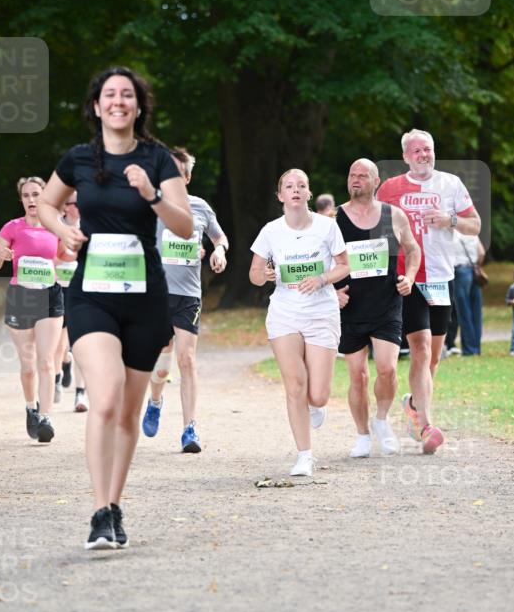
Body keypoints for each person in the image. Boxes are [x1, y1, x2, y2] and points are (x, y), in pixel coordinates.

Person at [38, 66, 192, 550]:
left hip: (146, 298)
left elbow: (185, 226)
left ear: (138, 105)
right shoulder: (79, 158)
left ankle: (115, 506)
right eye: (110, 94)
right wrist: (63, 231)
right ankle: (98, 511)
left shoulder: (157, 159)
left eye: (127, 94)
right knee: (104, 398)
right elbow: (47, 205)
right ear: (97, 105)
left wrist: (152, 195)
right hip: (92, 295)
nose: (119, 101)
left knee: (127, 413)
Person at [376, 130, 481, 454]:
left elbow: (475, 225)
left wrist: (450, 220)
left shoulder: (451, 184)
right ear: (406, 156)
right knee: (420, 349)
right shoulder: (390, 188)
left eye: (428, 149)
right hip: (406, 278)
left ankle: (413, 405)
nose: (424, 155)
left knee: (433, 358)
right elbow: (373, 229)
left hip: (440, 277)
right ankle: (425, 426)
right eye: (417, 151)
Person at [250, 169, 350, 478]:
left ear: (309, 193)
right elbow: (254, 274)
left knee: (317, 394)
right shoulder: (270, 231)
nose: (296, 190)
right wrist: (264, 275)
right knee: (295, 385)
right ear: (280, 195)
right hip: (284, 313)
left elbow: (344, 265)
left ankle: (316, 406)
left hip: (321, 312)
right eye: (289, 186)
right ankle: (304, 456)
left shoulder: (327, 227)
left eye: (301, 185)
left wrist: (322, 278)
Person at [142, 146, 229, 453]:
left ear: (188, 178)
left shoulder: (200, 207)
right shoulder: (151, 205)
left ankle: (189, 429)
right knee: (161, 365)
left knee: (187, 359)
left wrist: (219, 250)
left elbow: (219, 237)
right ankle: (155, 401)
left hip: (188, 295)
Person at [335, 159, 421, 458]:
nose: (355, 179)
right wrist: (332, 292)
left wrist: (410, 278)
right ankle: (362, 435)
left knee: (387, 369)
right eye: (352, 174)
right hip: (350, 307)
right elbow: (319, 258)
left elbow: (413, 249)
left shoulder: (393, 215)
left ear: (376, 182)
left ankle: (381, 420)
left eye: (362, 175)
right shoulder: (334, 218)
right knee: (357, 375)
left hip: (386, 303)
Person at [0, 177, 64, 443]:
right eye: (26, 195)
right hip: (20, 297)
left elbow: (64, 258)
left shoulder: (56, 226)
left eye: (36, 194)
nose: (31, 199)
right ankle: (31, 407)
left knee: (46, 361)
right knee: (29, 365)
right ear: (21, 199)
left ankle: (45, 417)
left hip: (50, 295)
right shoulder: (12, 227)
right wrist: (2, 256)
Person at [55, 192, 88, 412]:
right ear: (66, 206)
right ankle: (63, 364)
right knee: (60, 344)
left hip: (82, 290)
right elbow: (48, 256)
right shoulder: (56, 228)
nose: (78, 206)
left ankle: (80, 393)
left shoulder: (89, 227)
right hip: (58, 288)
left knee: (80, 344)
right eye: (74, 203)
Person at [451, 232, 486, 356]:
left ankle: (469, 349)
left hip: (460, 271)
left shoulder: (452, 234)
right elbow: (481, 253)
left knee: (464, 312)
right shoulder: (472, 233)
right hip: (474, 270)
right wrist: (477, 265)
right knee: (476, 312)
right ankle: (476, 347)